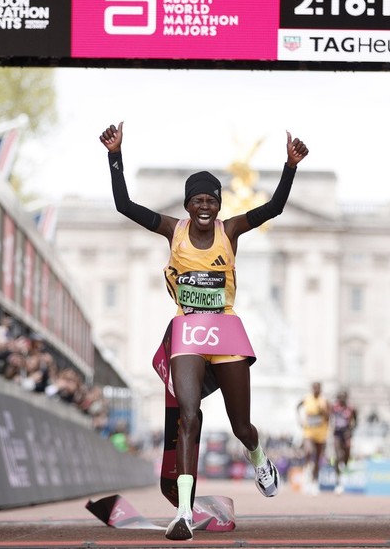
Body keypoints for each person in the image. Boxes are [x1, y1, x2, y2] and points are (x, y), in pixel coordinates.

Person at [100, 121, 309, 541]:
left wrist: (290, 167)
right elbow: (124, 205)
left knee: (241, 425)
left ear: (218, 204)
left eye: (210, 201)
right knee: (189, 418)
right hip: (189, 332)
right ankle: (183, 513)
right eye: (197, 200)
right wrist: (115, 155)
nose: (204, 207)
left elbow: (273, 209)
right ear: (187, 204)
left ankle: (258, 456)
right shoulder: (170, 229)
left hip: (227, 331)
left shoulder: (229, 231)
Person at [296, 381, 330, 496]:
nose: (316, 390)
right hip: (309, 431)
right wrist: (299, 419)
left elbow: (329, 416)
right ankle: (306, 473)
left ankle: (314, 483)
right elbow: (297, 406)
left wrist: (323, 412)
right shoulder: (307, 399)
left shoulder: (324, 401)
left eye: (318, 388)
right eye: (314, 388)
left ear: (320, 389)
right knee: (308, 451)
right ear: (312, 389)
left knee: (317, 459)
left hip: (321, 432)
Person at [330, 389, 358, 495]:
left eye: (343, 397)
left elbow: (356, 421)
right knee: (338, 457)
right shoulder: (334, 407)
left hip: (346, 434)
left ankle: (344, 467)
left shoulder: (351, 408)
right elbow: (329, 418)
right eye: (339, 397)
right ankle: (338, 481)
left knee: (346, 455)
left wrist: (351, 431)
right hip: (337, 433)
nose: (341, 399)